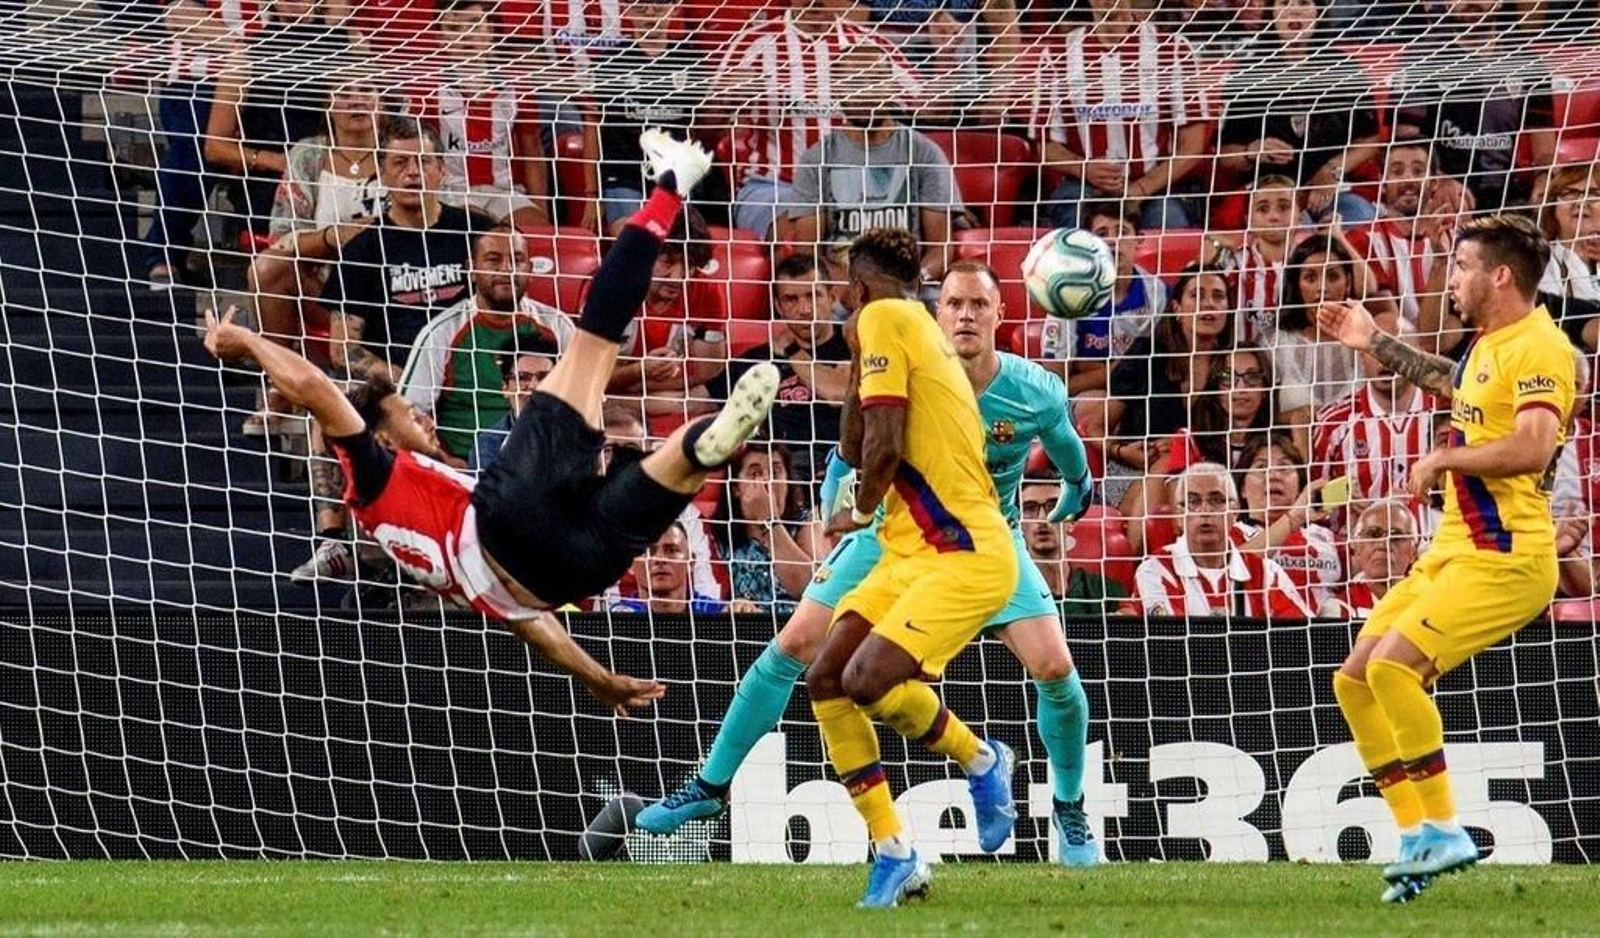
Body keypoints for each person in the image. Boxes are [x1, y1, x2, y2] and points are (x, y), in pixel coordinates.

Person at [202, 130, 783, 708]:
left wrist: (598, 679)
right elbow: (314, 387)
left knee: (670, 469)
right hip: (503, 523)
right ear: (379, 437)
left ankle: (706, 445)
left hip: (562, 577)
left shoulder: (401, 514)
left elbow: (529, 621)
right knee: (592, 347)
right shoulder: (373, 476)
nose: (423, 420)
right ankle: (671, 185)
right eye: (407, 415)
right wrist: (246, 340)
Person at [637, 258, 1102, 875]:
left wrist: (1077, 487)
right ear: (936, 314)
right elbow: (851, 448)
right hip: (889, 533)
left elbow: (1065, 442)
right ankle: (710, 785)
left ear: (1001, 313)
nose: (965, 315)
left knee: (1055, 667)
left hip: (987, 539)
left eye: (978, 304)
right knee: (795, 644)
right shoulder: (906, 366)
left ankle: (1068, 807)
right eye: (954, 304)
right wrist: (835, 507)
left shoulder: (1033, 389)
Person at [1317, 213, 1577, 903]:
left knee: (1392, 669)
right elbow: (1452, 383)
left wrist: (1443, 459)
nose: (1450, 280)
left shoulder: (1543, 349)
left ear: (1500, 275)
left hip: (1506, 556)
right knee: (1355, 681)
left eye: (1461, 267)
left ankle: (1446, 829)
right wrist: (1375, 342)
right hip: (1456, 549)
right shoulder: (1491, 343)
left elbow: (1533, 447)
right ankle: (1416, 839)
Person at [294, 117, 491, 583]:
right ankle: (333, 542)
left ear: (442, 170)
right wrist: (403, 376)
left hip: (476, 373)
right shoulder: (364, 248)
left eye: (423, 162)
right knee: (328, 406)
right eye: (399, 163)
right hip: (396, 387)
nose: (412, 172)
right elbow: (343, 348)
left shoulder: (477, 232)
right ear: (381, 173)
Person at [712, 0, 923, 237]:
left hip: (858, 189)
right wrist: (725, 101)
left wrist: (946, 53)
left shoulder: (870, 47)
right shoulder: (753, 43)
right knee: (801, 231)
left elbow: (931, 109)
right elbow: (703, 126)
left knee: (891, 236)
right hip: (775, 186)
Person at [1031, 0, 1212, 230]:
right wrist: (1083, 168)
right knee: (1079, 229)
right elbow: (1046, 145)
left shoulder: (1172, 49)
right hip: (1083, 186)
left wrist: (1142, 188)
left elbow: (1192, 146)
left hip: (1156, 187)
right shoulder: (1058, 54)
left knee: (1167, 225)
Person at [397, 226, 575, 459]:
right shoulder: (442, 333)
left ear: (530, 270)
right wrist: (445, 461)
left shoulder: (558, 327)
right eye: (493, 260)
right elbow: (406, 417)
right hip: (464, 468)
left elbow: (585, 401)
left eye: (517, 260)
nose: (507, 269)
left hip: (543, 463)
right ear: (471, 269)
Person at [781, 50, 958, 284]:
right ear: (836, 90)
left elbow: (941, 247)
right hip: (841, 290)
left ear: (893, 88)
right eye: (853, 82)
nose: (864, 92)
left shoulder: (925, 153)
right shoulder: (815, 160)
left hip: (911, 287)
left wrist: (913, 283)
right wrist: (851, 290)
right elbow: (808, 252)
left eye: (874, 81)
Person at [1216, 0, 1382, 224]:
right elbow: (1224, 155)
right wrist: (1251, 152)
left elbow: (1371, 138)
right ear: (1271, 13)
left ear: (1319, 12)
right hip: (1269, 194)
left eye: (1304, 2)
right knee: (1295, 228)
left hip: (1331, 190)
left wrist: (1332, 169)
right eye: (1284, 2)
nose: (1294, 10)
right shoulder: (1246, 76)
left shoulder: (1346, 70)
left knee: (1359, 215)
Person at [1388, 0, 1556, 212]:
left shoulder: (1528, 64)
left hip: (1504, 195)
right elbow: (1405, 143)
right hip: (1437, 194)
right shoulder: (1419, 61)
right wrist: (1438, 178)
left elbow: (1544, 151)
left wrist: (1544, 178)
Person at [705, 253, 852, 479]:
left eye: (813, 295)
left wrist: (792, 351)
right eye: (791, 299)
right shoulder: (758, 359)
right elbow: (694, 399)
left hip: (845, 468)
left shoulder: (854, 344)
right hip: (784, 474)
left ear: (832, 297)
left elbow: (838, 392)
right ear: (778, 306)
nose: (805, 309)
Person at [408, 0, 551, 227]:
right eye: (454, 28)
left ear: (490, 31)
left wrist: (540, 207)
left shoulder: (517, 86)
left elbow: (532, 150)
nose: (466, 36)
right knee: (475, 225)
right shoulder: (425, 90)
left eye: (475, 25)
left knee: (534, 226)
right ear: (440, 37)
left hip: (505, 192)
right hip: (449, 192)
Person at [1130, 462, 1311, 618]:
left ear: (1234, 512)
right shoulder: (1156, 571)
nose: (1205, 511)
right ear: (1178, 516)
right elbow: (1172, 642)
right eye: (1193, 501)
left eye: (1216, 500)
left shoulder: (1267, 574)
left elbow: (1304, 636)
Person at [1311, 308, 1435, 530]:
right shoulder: (1333, 423)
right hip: (1354, 549)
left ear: (1419, 355)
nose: (1384, 361)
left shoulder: (1445, 415)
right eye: (1374, 350)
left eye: (1396, 350)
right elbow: (1312, 502)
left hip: (1435, 545)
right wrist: (1342, 494)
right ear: (1361, 355)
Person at [1044, 201, 1165, 395]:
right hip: (1083, 399)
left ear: (1138, 240)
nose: (1112, 241)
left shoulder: (1157, 293)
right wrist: (1118, 369)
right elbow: (1053, 387)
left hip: (1141, 395)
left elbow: (1158, 369)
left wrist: (1089, 369)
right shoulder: (1067, 296)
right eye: (1102, 234)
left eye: (1122, 231)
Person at [1233, 433, 1342, 612]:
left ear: (1300, 485)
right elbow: (1234, 566)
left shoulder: (1327, 538)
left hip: (1322, 628)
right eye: (1261, 467)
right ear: (1242, 488)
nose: (1273, 475)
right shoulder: (1232, 534)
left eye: (1284, 467)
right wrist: (1294, 518)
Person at [723, 444, 823, 616]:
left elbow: (813, 589)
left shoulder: (809, 522)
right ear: (735, 488)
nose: (767, 482)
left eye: (775, 472)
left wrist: (769, 522)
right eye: (755, 474)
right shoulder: (720, 536)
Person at [1020, 477, 1128, 616]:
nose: (1042, 519)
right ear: (1018, 524)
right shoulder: (1009, 596)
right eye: (1029, 509)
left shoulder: (1106, 593)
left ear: (1071, 521)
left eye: (1054, 507)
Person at [610, 523, 754, 615]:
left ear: (691, 562)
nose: (660, 559)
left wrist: (746, 613)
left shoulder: (719, 614)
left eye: (672, 550)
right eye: (648, 551)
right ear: (630, 564)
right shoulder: (618, 620)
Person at [1327, 498, 1421, 618]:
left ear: (1413, 552)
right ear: (1356, 547)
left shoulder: (1430, 602)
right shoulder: (1338, 610)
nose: (1383, 544)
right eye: (1373, 534)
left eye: (1395, 536)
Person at [469, 350, 553, 472]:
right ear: (505, 388)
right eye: (522, 377)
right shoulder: (488, 445)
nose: (534, 386)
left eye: (544, 377)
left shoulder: (576, 435)